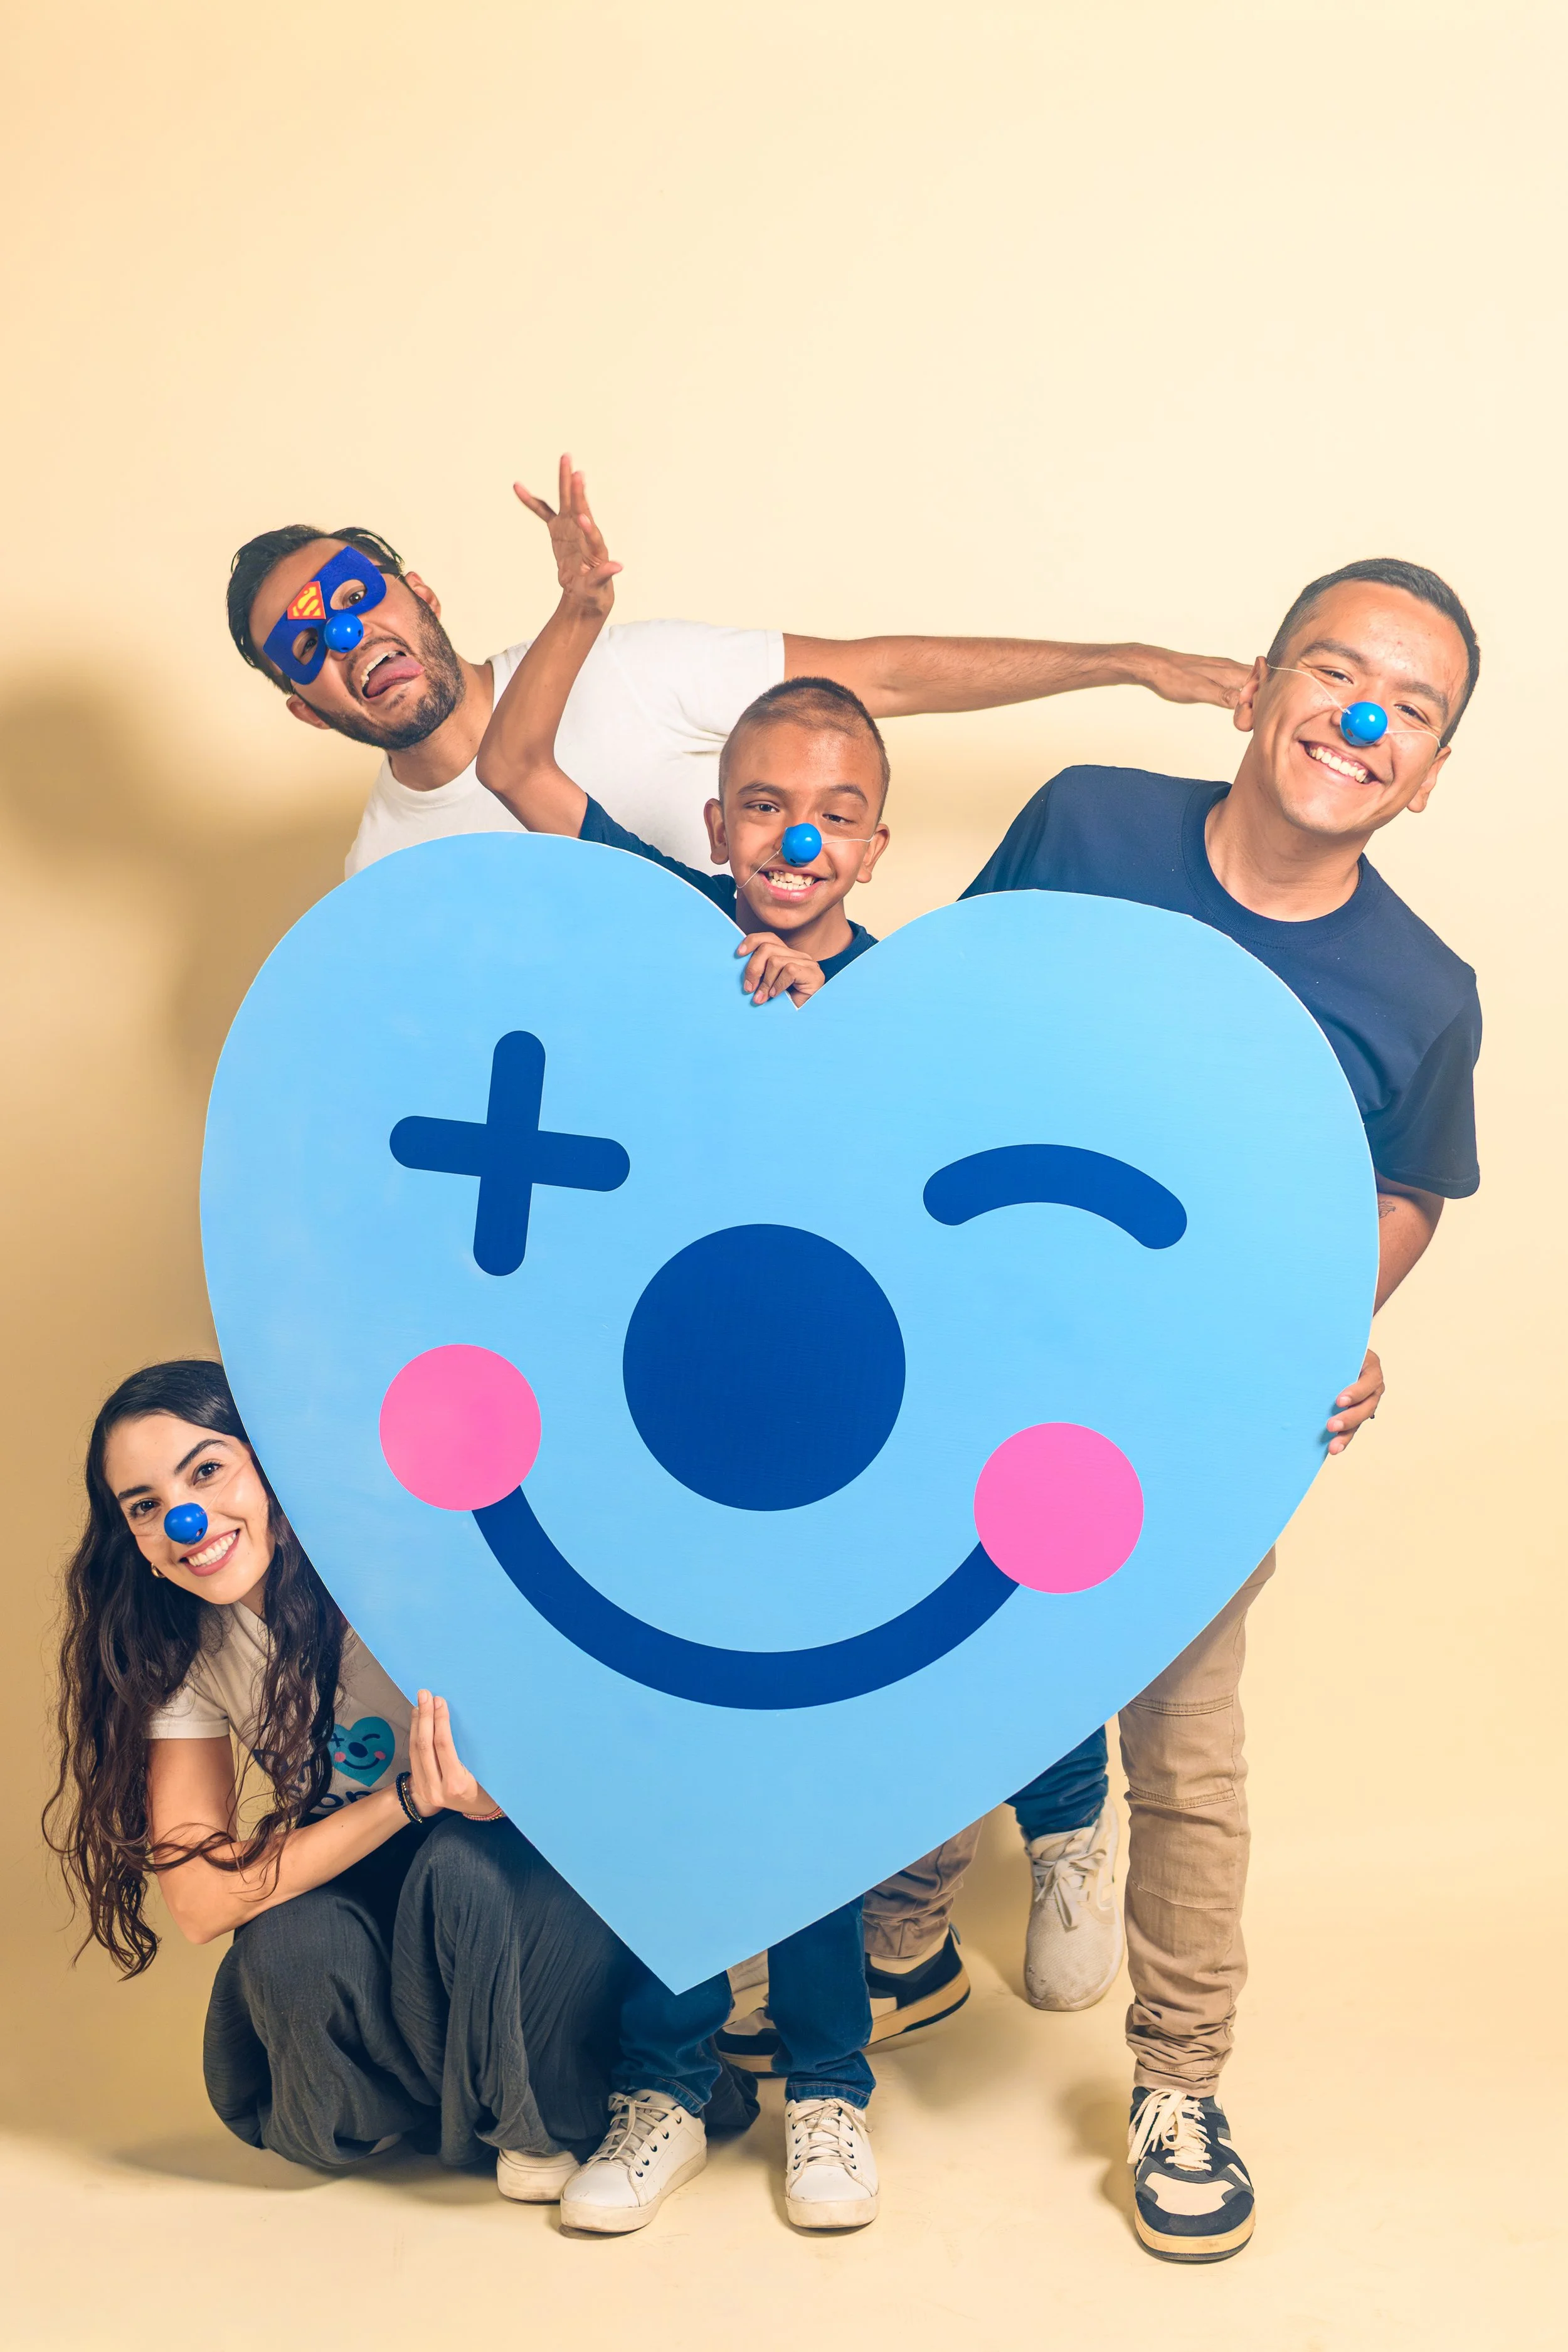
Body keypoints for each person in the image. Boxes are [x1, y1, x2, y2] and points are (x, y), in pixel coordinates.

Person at [843, 556, 1482, 2264]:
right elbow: (937, 1014)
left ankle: (1179, 2078)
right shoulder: (1089, 827)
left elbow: (1414, 1180)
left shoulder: (1422, 988)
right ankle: (896, 1943)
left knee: (1181, 1747)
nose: (1360, 719)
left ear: (1422, 774)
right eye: (1334, 674)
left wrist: (1342, 1314)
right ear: (1260, 686)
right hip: (983, 1367)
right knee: (935, 1662)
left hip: (1199, 1425)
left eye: (1405, 711)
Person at [471, 476, 890, 2233]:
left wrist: (825, 1046)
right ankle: (665, 2077)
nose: (797, 843)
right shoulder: (656, 914)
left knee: (797, 1762)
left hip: (830, 1447)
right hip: (645, 1428)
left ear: (877, 843)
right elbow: (510, 773)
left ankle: (826, 2086)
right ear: (715, 819)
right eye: (767, 809)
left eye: (837, 817)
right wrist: (577, 603)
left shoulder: (919, 1004)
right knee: (660, 1749)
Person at [43, 1359, 753, 2192]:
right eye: (146, 1506)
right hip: (394, 1893)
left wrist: (490, 1792)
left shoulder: (393, 1576)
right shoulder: (188, 1650)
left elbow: (550, 1768)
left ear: (269, 1465)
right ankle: (438, 2106)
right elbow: (201, 1899)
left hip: (525, 1890)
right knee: (283, 1943)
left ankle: (554, 2103)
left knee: (461, 1865)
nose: (185, 1517)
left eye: (206, 1470)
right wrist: (405, 1798)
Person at [225, 454, 1251, 881]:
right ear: (305, 711)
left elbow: (879, 677)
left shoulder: (625, 671)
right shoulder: (380, 877)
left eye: (357, 600)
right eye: (308, 646)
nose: (351, 640)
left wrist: (1126, 662)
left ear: (422, 595)